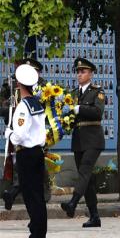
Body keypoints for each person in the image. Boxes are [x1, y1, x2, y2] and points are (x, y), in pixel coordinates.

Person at [2, 58, 51, 210]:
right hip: (20, 133)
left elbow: (46, 112)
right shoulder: (10, 85)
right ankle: (15, 194)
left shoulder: (42, 88)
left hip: (30, 136)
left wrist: (9, 133)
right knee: (20, 169)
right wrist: (8, 114)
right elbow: (3, 104)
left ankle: (17, 194)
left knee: (32, 181)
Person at [61, 58, 105, 227]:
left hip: (93, 138)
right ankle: (95, 216)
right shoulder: (72, 94)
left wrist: (78, 108)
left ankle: (72, 202)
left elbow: (97, 112)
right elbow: (71, 118)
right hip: (78, 140)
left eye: (83, 71)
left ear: (91, 74)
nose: (79, 74)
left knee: (85, 171)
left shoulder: (97, 91)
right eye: (78, 72)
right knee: (88, 179)